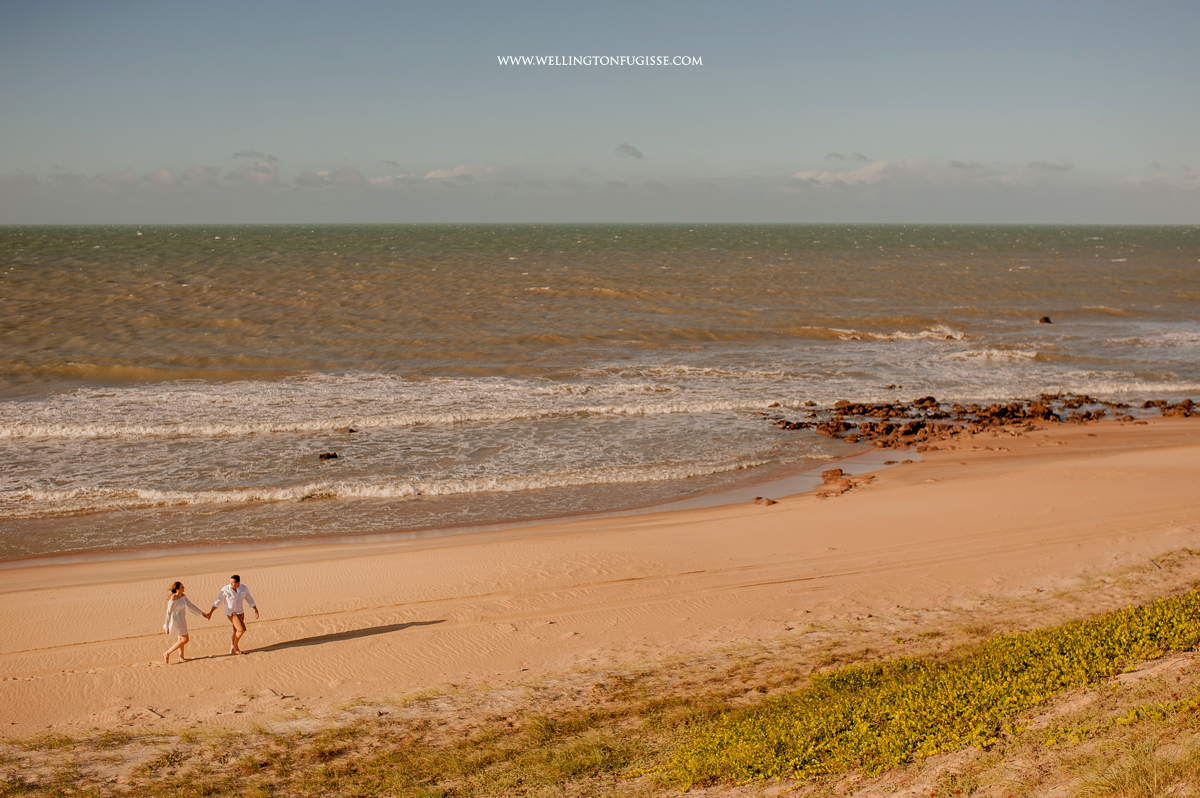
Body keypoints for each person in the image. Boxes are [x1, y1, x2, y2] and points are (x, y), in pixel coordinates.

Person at [204, 574, 259, 655]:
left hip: (240, 612)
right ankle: (235, 647)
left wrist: (255, 609)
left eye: (233, 582)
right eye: (230, 582)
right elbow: (218, 601)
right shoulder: (225, 589)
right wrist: (210, 613)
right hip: (231, 613)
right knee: (241, 629)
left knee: (236, 630)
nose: (231, 584)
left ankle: (232, 648)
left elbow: (249, 599)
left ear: (238, 582)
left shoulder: (243, 588)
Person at [163, 581, 206, 664]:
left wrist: (202, 613)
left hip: (182, 620)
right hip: (175, 621)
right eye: (182, 587)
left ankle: (181, 657)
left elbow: (191, 605)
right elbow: (168, 612)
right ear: (178, 589)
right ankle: (167, 652)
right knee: (185, 639)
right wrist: (166, 626)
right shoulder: (173, 598)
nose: (184, 588)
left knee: (180, 639)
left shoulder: (183, 596)